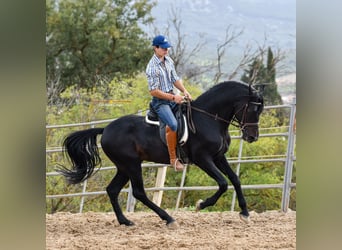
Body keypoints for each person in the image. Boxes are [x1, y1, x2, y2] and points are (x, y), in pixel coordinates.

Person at [146, 35, 192, 171]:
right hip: (161, 102)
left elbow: (175, 78)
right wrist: (173, 98)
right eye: (164, 48)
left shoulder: (168, 60)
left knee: (191, 110)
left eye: (167, 48)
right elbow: (153, 91)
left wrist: (185, 91)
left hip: (173, 97)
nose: (166, 50)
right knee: (172, 124)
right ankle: (173, 159)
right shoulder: (152, 68)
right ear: (156, 48)